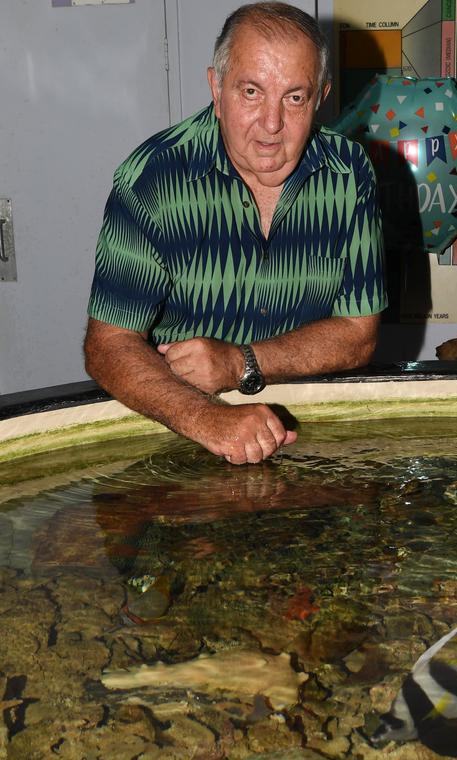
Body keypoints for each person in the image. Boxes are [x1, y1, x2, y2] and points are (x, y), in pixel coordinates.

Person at [84, 1, 386, 465]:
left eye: (294, 97)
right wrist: (211, 420)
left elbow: (359, 334)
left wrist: (239, 362)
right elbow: (108, 345)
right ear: (216, 87)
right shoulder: (152, 179)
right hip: (187, 430)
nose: (271, 124)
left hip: (312, 442)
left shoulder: (350, 174)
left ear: (320, 97)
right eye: (251, 92)